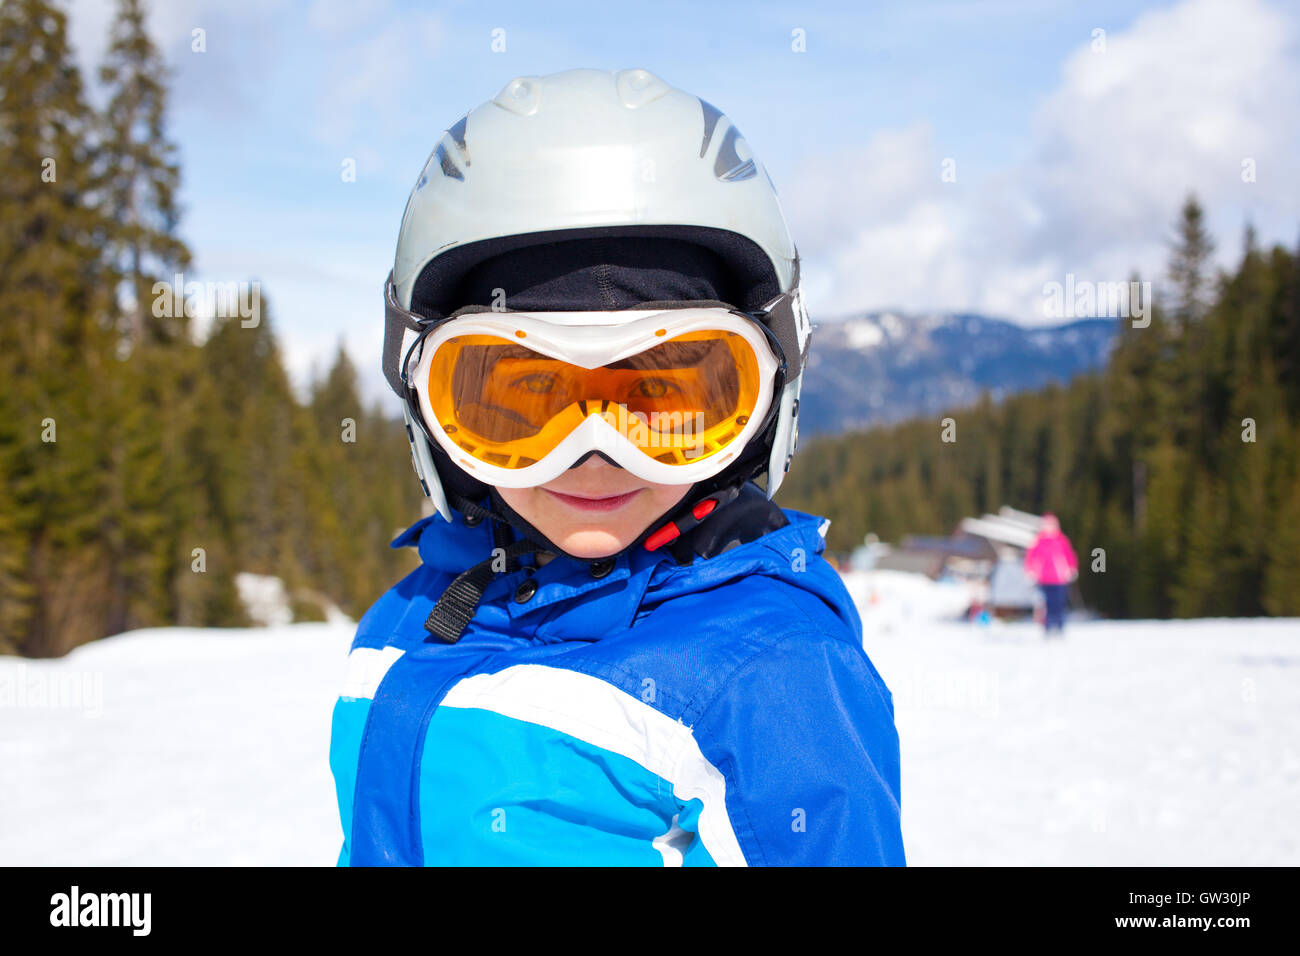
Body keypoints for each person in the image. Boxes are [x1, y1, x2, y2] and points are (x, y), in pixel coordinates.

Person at [328, 68, 905, 866]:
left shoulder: (774, 677)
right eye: (524, 401)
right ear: (426, 398)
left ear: (762, 401)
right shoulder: (415, 613)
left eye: (663, 401)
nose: (595, 456)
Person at [1023, 513, 1077, 637]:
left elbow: (1069, 555)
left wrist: (1071, 568)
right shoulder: (1038, 541)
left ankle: (1059, 626)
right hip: (1044, 579)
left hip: (1059, 579)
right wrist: (1030, 571)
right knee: (1047, 604)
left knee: (1059, 603)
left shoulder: (1061, 540)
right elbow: (1031, 557)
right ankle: (1048, 627)